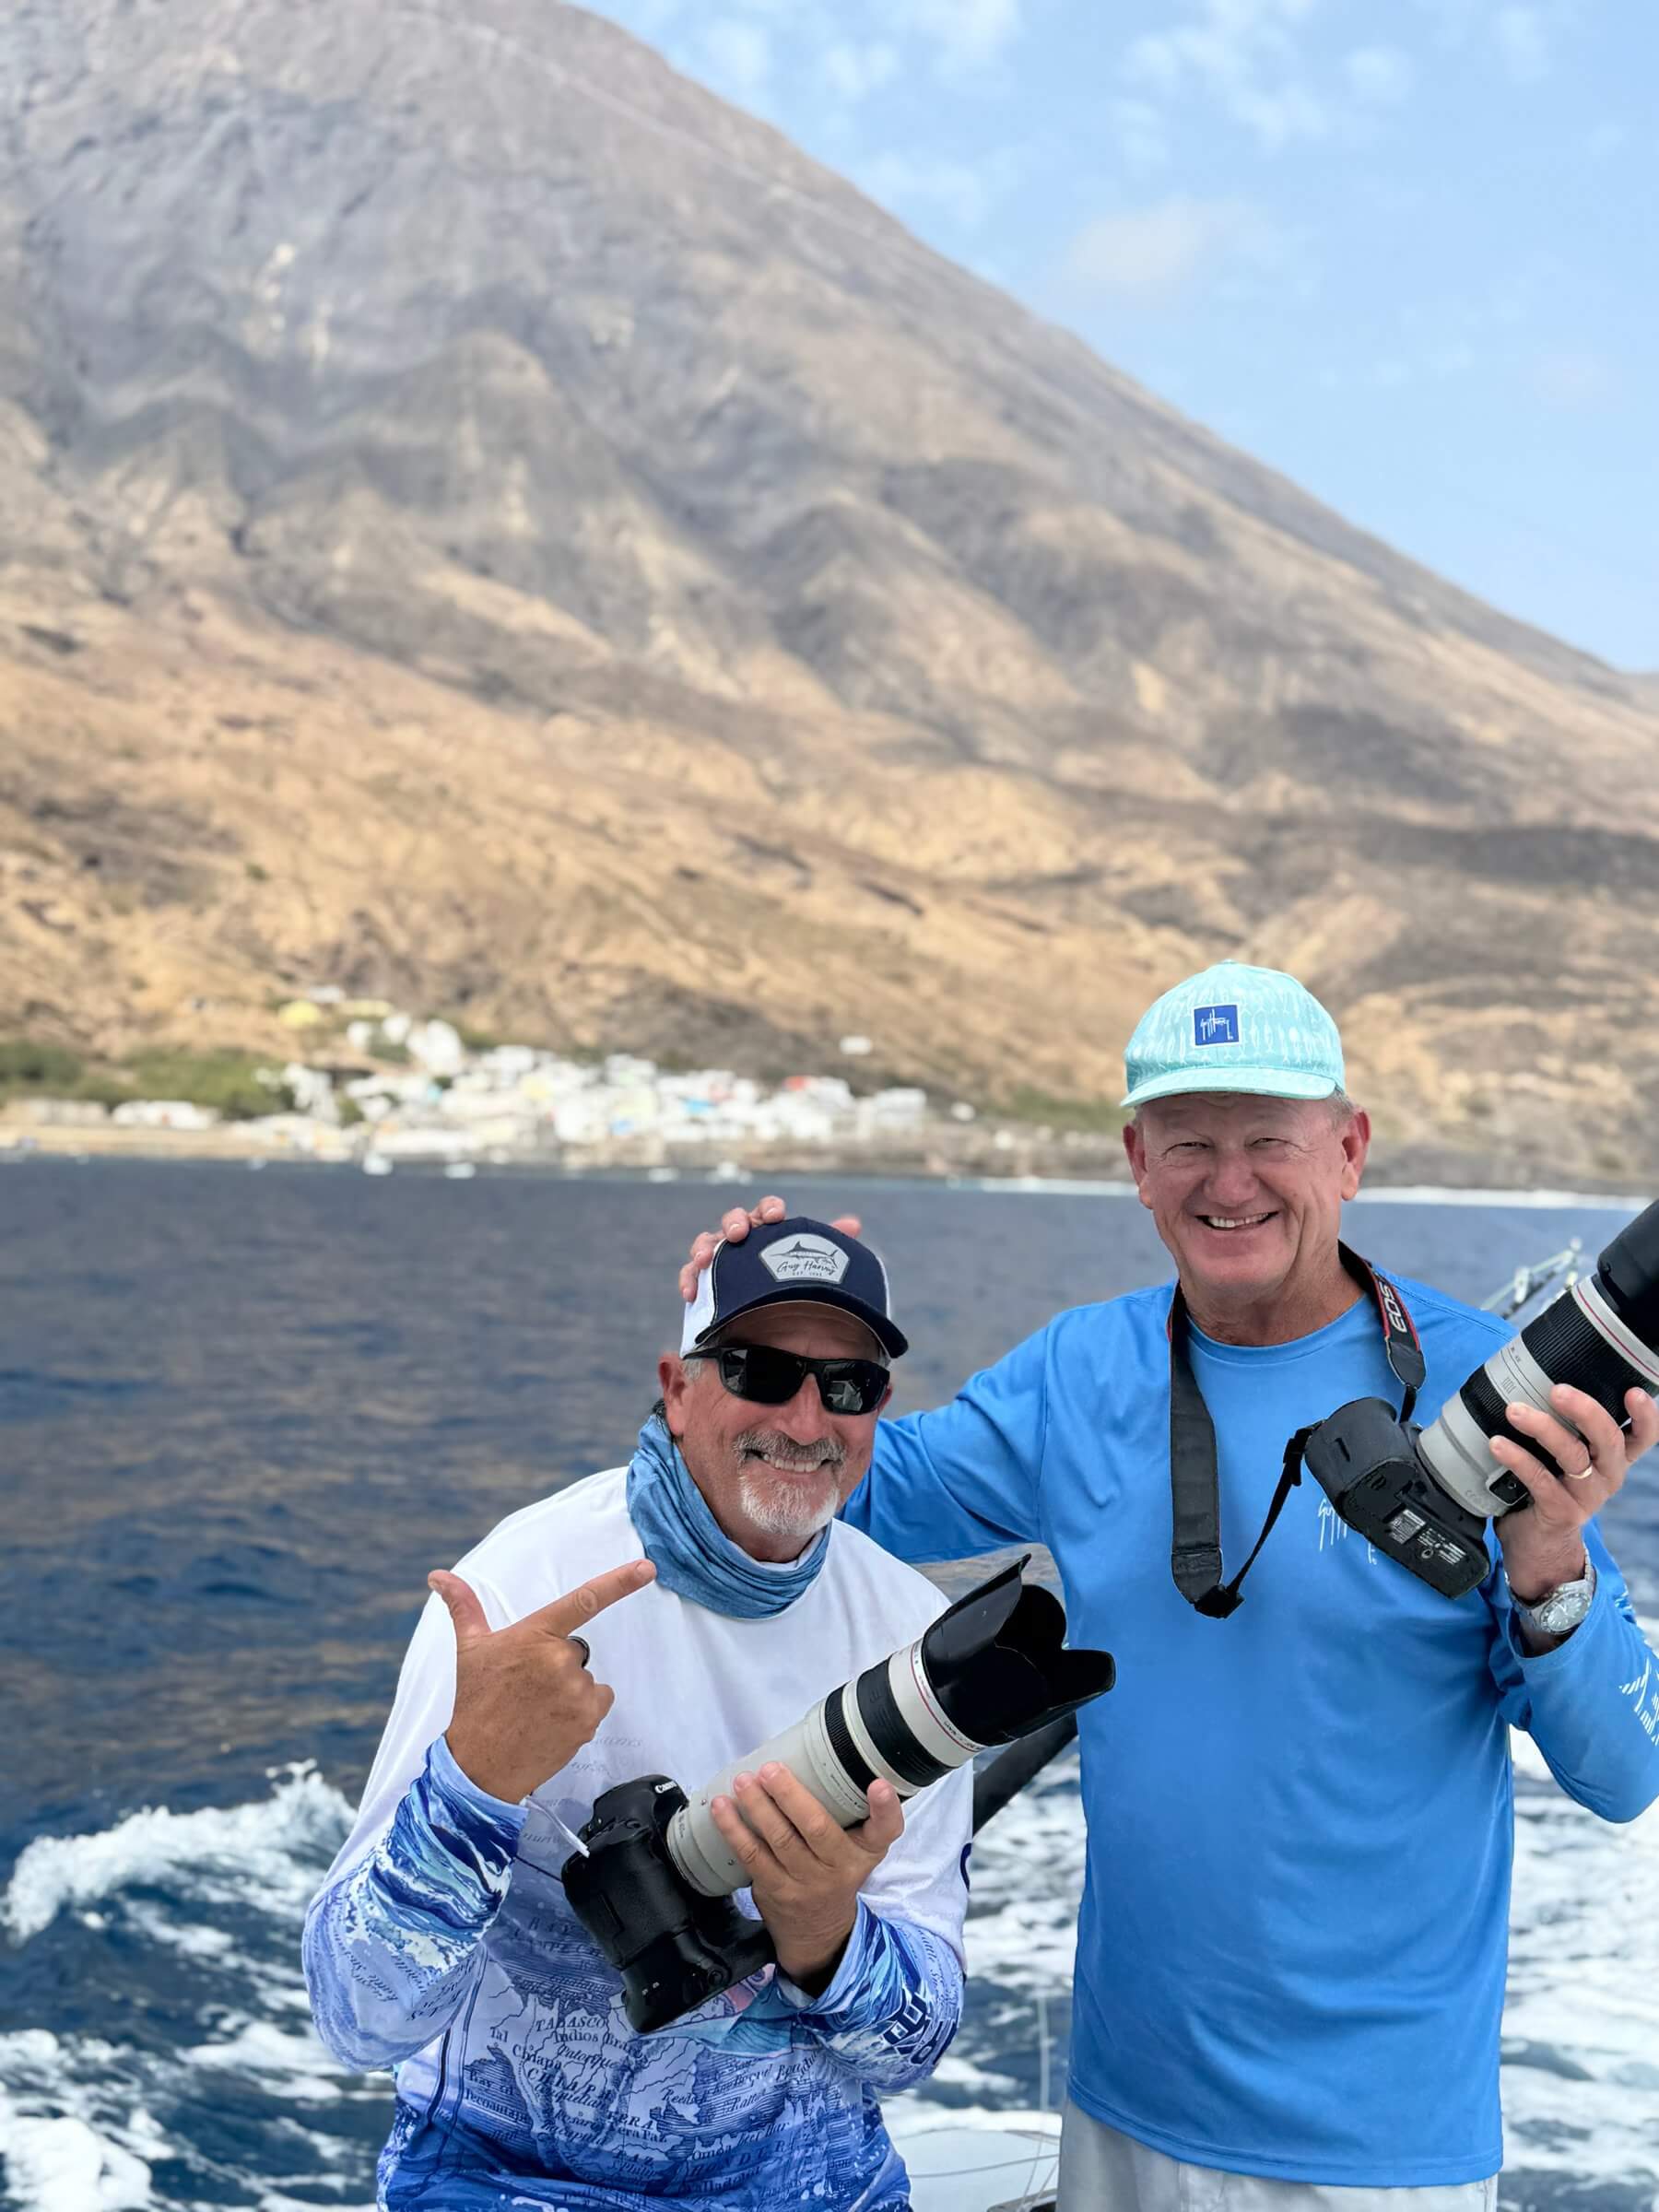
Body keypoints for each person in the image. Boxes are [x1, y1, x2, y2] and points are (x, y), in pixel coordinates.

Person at [680, 960, 1659, 2212]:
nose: (1229, 1180)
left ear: (1349, 1150)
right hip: (1121, 2114)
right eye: (1189, 1142)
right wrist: (748, 1355)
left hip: (1379, 2152)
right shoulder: (1082, 1372)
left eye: (1269, 1140)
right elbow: (824, 1488)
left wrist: (1550, 1560)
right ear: (1136, 1163)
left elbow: (1626, 1774)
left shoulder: (1491, 1396)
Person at [306, 1217, 972, 2212]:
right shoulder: (519, 1593)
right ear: (677, 1386)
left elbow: (911, 2051)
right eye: (758, 1370)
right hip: (512, 2184)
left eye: (847, 1386)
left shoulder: (910, 1640)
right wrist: (471, 1788)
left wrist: (827, 1934)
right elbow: (357, 2019)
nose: (803, 1419)